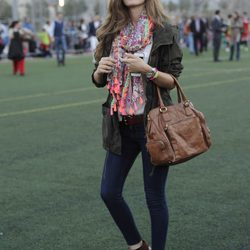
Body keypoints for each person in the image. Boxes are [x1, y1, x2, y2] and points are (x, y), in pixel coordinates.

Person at [91, 0, 183, 249]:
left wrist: (147, 70)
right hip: (120, 124)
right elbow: (99, 79)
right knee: (109, 192)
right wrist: (99, 71)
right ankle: (137, 245)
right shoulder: (112, 31)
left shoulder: (164, 30)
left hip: (152, 126)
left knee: (154, 198)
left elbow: (172, 80)